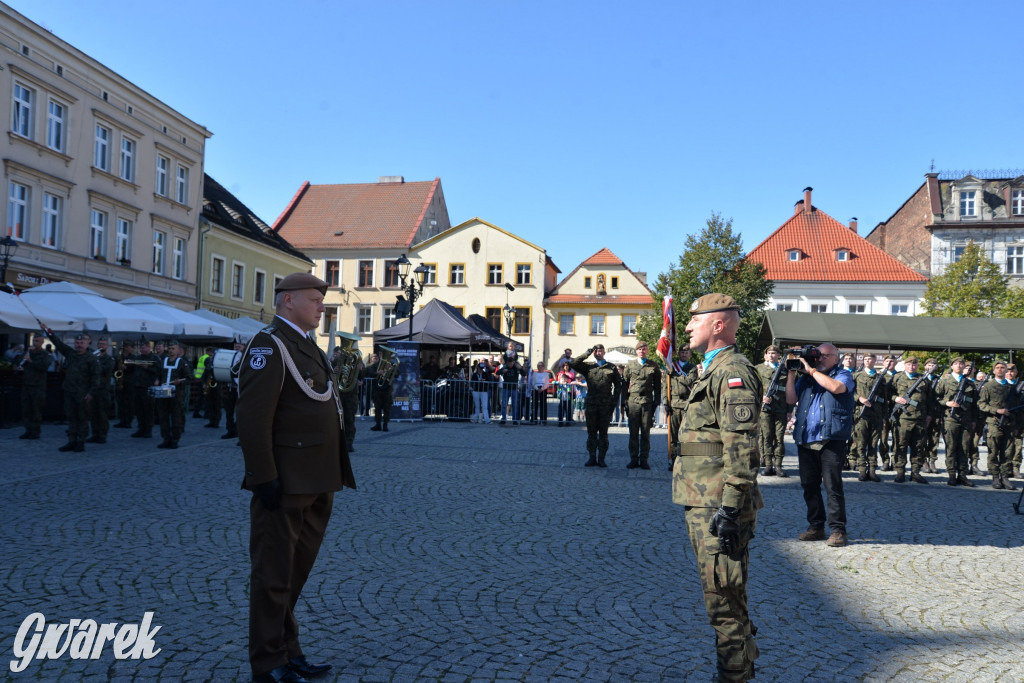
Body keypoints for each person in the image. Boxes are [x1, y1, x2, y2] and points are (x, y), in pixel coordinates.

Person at [237, 272, 356, 683]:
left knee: (293, 573)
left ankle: (288, 649)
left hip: (317, 479)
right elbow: (253, 417)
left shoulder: (306, 346)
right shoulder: (268, 347)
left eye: (321, 300)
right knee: (272, 575)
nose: (321, 306)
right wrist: (262, 476)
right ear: (287, 301)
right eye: (313, 299)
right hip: (285, 482)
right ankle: (267, 662)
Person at [673, 293, 761, 683]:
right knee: (725, 590)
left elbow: (741, 448)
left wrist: (729, 508)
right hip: (702, 497)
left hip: (717, 504)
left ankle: (734, 675)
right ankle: (741, 664)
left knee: (722, 596)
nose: (688, 326)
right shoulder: (711, 370)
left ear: (718, 325)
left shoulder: (732, 373)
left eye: (695, 320)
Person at [785, 343, 854, 547]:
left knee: (833, 486)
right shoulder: (806, 378)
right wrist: (791, 373)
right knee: (809, 485)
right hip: (806, 437)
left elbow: (836, 388)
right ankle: (816, 526)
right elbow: (791, 398)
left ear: (836, 358)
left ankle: (838, 530)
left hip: (831, 439)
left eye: (824, 356)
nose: (819, 359)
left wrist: (811, 370)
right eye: (817, 356)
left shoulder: (844, 374)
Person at [42, 328, 100, 453]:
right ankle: (71, 440)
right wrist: (48, 330)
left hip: (83, 393)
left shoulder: (91, 359)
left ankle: (81, 442)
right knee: (71, 417)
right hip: (69, 391)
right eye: (77, 343)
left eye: (82, 343)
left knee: (82, 418)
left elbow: (96, 378)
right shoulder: (71, 354)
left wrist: (91, 393)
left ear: (88, 343)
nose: (79, 345)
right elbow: (58, 343)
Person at [569, 344, 623, 467]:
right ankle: (592, 457)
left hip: (605, 405)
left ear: (604, 352)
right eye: (596, 351)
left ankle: (602, 458)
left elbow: (618, 386)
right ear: (594, 353)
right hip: (592, 404)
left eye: (600, 351)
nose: (598, 353)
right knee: (591, 432)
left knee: (603, 433)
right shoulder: (588, 367)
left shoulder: (611, 367)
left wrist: (614, 402)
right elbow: (574, 364)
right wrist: (586, 353)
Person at [935, 356, 977, 487]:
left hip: (966, 419)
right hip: (950, 418)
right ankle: (952, 474)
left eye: (961, 364)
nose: (959, 365)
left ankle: (962, 475)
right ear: (952, 366)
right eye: (956, 363)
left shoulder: (970, 384)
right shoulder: (944, 381)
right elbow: (935, 398)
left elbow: (975, 403)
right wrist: (947, 402)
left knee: (964, 448)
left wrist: (974, 419)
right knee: (951, 447)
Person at [890, 356, 932, 484]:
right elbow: (887, 393)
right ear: (905, 365)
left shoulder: (923, 380)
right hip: (903, 418)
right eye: (909, 364)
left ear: (917, 366)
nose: (911, 367)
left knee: (919, 446)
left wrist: (929, 415)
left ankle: (915, 473)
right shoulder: (897, 377)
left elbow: (930, 399)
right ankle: (900, 472)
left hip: (920, 418)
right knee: (900, 445)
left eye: (914, 365)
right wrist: (895, 398)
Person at [977, 360, 1016, 490]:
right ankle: (995, 477)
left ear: (1006, 370)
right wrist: (997, 410)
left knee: (1008, 451)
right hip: (994, 423)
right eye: (998, 368)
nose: (1000, 370)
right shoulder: (988, 386)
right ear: (994, 370)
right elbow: (981, 404)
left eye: (1003, 368)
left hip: (1009, 423)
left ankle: (1005, 477)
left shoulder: (1011, 387)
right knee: (993, 451)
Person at [622, 340, 661, 469]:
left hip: (647, 403)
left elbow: (657, 386)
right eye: (639, 349)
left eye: (644, 349)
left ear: (647, 351)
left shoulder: (653, 366)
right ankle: (633, 459)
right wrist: (624, 401)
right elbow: (624, 384)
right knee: (633, 433)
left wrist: (656, 401)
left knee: (645, 433)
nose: (642, 351)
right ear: (636, 351)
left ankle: (644, 459)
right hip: (633, 403)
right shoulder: (630, 365)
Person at [851, 353, 885, 482]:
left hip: (876, 414)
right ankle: (862, 470)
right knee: (861, 443)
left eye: (870, 359)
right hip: (861, 414)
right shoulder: (856, 376)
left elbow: (884, 398)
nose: (868, 361)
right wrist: (859, 398)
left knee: (873, 443)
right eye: (865, 359)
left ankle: (872, 470)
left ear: (875, 360)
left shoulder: (880, 378)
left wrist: (884, 417)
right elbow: (850, 392)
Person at [756, 345, 789, 477]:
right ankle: (768, 465)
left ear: (779, 355)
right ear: (765, 355)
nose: (771, 355)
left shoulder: (786, 370)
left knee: (779, 438)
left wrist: (790, 409)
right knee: (767, 437)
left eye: (774, 353)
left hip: (781, 408)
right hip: (765, 409)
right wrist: (761, 397)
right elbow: (753, 387)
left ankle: (779, 465)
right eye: (769, 353)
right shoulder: (758, 369)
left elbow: (790, 389)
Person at [155, 340, 192, 449]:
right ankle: (166, 439)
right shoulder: (163, 361)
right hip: (163, 392)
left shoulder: (181, 362)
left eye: (173, 349)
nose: (171, 351)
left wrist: (180, 381)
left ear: (178, 350)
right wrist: (157, 380)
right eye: (170, 349)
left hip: (176, 394)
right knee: (163, 417)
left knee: (176, 417)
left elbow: (189, 378)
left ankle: (175, 439)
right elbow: (158, 374)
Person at [664, 346, 696, 471]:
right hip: (674, 405)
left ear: (690, 354)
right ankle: (673, 460)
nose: (683, 354)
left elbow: (689, 381)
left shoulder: (692, 368)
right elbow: (665, 387)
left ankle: (685, 460)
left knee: (686, 435)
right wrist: (666, 402)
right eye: (682, 352)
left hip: (687, 405)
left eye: (686, 352)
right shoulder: (671, 367)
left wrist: (675, 375)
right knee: (673, 436)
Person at [15, 335, 50, 439]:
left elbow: (43, 367)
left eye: (37, 341)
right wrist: (25, 353)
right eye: (34, 341)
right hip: (26, 384)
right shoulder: (29, 353)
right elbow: (17, 363)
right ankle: (28, 430)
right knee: (26, 409)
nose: (35, 343)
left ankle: (36, 431)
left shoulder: (44, 354)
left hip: (38, 386)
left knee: (36, 409)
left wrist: (31, 361)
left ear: (42, 342)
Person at [86, 336, 116, 444]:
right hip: (93, 389)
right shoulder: (94, 357)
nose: (101, 346)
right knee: (92, 413)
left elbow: (104, 370)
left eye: (103, 344)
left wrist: (95, 362)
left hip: (103, 389)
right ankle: (95, 433)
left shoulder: (109, 359)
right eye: (99, 344)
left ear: (107, 346)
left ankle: (102, 434)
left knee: (102, 414)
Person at [130, 340, 160, 439]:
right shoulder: (138, 358)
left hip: (148, 386)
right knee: (138, 409)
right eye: (141, 348)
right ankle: (141, 428)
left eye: (143, 348)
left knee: (148, 409)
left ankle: (148, 430)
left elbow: (159, 371)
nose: (142, 349)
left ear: (149, 347)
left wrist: (148, 368)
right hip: (137, 386)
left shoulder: (155, 358)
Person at [365, 351, 395, 432]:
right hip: (377, 389)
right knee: (377, 408)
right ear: (380, 355)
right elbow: (367, 372)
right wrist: (376, 373)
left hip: (387, 389)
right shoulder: (375, 365)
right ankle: (378, 424)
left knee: (387, 408)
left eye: (385, 355)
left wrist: (391, 368)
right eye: (382, 354)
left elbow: (397, 374)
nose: (383, 356)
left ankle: (385, 424)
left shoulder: (391, 364)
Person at [222, 341, 245, 440]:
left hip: (241, 389)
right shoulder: (231, 355)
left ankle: (241, 435)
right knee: (229, 411)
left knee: (241, 413)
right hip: (230, 387)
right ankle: (230, 430)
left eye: (240, 344)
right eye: (236, 344)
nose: (237, 345)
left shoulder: (246, 356)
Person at [495, 355, 526, 425]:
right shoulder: (505, 366)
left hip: (514, 389)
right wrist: (503, 370)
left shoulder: (516, 367)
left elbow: (524, 374)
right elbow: (497, 372)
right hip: (506, 388)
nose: (510, 365)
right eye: (509, 363)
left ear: (513, 362)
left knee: (515, 404)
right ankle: (503, 419)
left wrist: (520, 368)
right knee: (504, 404)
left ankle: (514, 420)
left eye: (511, 363)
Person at [114, 340, 136, 429]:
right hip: (121, 381)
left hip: (130, 383)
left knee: (129, 403)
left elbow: (136, 370)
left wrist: (127, 368)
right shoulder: (119, 357)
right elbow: (114, 369)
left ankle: (128, 421)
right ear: (126, 348)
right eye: (131, 347)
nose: (132, 349)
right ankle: (122, 420)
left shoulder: (134, 358)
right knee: (120, 402)